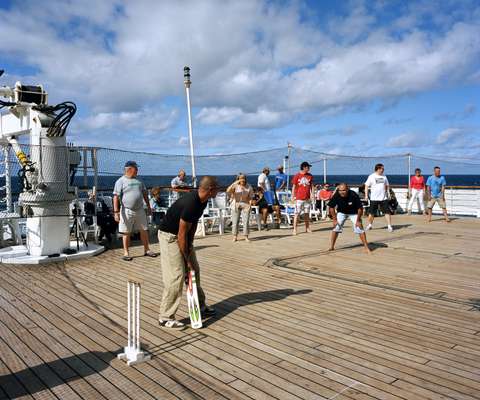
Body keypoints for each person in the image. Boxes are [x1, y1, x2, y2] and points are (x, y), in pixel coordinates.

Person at [157, 176, 219, 328]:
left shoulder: (202, 201)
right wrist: (187, 259)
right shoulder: (191, 203)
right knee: (176, 276)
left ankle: (200, 305)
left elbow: (193, 222)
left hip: (182, 236)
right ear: (210, 190)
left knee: (194, 271)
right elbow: (181, 234)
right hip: (169, 237)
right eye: (217, 188)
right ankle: (165, 316)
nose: (219, 189)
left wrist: (190, 245)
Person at [113, 161, 157, 261]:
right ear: (129, 169)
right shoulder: (120, 181)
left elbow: (145, 194)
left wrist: (149, 207)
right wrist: (116, 212)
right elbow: (115, 197)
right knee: (126, 232)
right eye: (136, 168)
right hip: (126, 211)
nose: (137, 170)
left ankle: (147, 250)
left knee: (144, 230)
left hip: (140, 210)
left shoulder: (139, 181)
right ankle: (126, 253)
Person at [328, 183, 371, 254]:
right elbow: (331, 207)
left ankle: (366, 247)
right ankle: (332, 246)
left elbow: (360, 208)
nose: (342, 192)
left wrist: (358, 220)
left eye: (344, 190)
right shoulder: (337, 194)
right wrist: (334, 220)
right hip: (341, 212)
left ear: (347, 189)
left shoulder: (353, 195)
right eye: (340, 190)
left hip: (354, 213)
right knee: (336, 227)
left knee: (359, 227)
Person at [364, 163, 394, 232]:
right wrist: (366, 195)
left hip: (383, 198)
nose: (383, 170)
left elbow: (387, 185)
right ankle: (370, 225)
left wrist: (388, 193)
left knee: (387, 212)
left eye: (383, 169)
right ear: (378, 169)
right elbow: (366, 186)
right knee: (371, 213)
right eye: (382, 169)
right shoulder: (371, 176)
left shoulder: (384, 177)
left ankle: (389, 226)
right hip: (374, 198)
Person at [226, 173, 254, 242]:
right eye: (241, 178)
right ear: (238, 179)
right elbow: (228, 191)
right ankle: (235, 236)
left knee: (246, 221)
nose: (242, 179)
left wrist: (250, 204)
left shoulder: (249, 186)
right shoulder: (235, 185)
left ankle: (246, 236)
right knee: (235, 221)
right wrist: (235, 183)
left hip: (245, 203)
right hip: (236, 203)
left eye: (243, 178)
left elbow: (251, 196)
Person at [292, 161, 314, 235]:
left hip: (307, 198)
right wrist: (292, 197)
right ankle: (295, 229)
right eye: (308, 167)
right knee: (297, 214)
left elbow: (312, 186)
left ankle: (307, 228)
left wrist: (312, 195)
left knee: (307, 214)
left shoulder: (310, 176)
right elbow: (294, 186)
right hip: (299, 198)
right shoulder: (297, 175)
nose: (309, 168)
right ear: (304, 167)